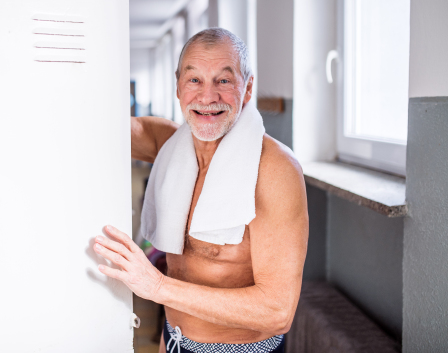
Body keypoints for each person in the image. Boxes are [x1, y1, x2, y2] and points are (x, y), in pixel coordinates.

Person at [93, 28, 308, 353]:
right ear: (178, 86)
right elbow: (97, 126)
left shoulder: (275, 170)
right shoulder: (168, 145)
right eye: (194, 80)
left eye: (223, 81)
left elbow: (278, 311)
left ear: (247, 88)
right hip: (174, 341)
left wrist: (158, 286)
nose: (207, 97)